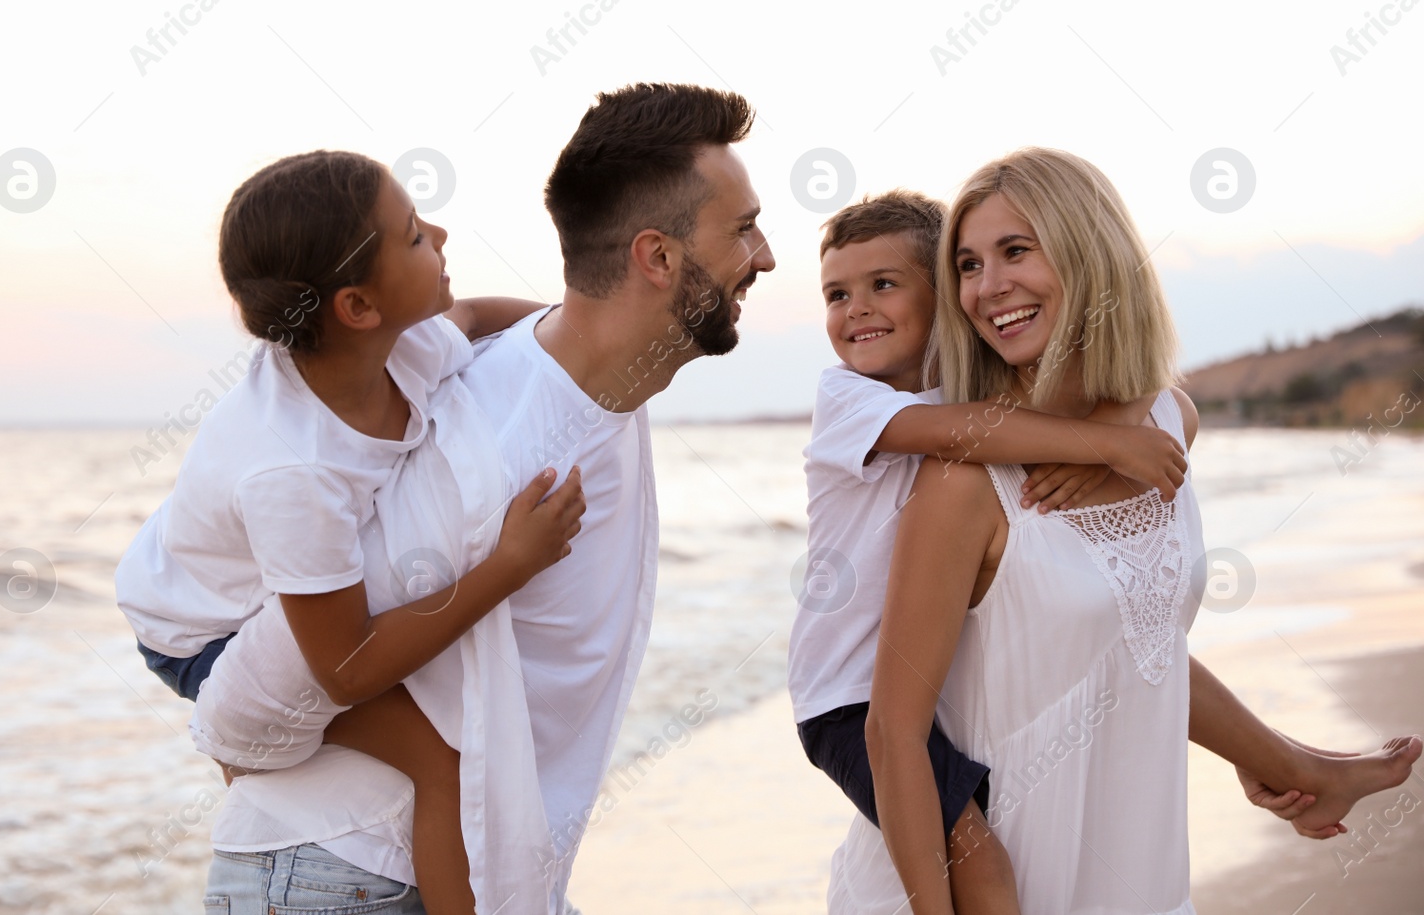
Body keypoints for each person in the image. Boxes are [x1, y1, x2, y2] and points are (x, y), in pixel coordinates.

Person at [202, 83, 776, 913]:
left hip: (449, 867)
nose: (764, 257)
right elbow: (253, 686)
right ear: (658, 258)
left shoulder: (592, 381)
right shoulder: (488, 459)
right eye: (744, 228)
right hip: (346, 877)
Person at [824, 148, 1422, 913]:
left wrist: (1277, 757)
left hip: (1142, 876)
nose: (987, 286)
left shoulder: (1168, 422)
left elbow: (1139, 643)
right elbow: (892, 732)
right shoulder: (963, 482)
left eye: (1016, 250)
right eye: (968, 264)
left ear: (1090, 252)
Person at [115, 150, 585, 914]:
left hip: (237, 567)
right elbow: (348, 666)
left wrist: (583, 337)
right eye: (410, 235)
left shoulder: (405, 344)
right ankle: (256, 762)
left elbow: (481, 319)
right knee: (442, 762)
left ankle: (269, 762)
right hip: (198, 632)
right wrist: (510, 563)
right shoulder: (292, 468)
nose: (437, 231)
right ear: (359, 307)